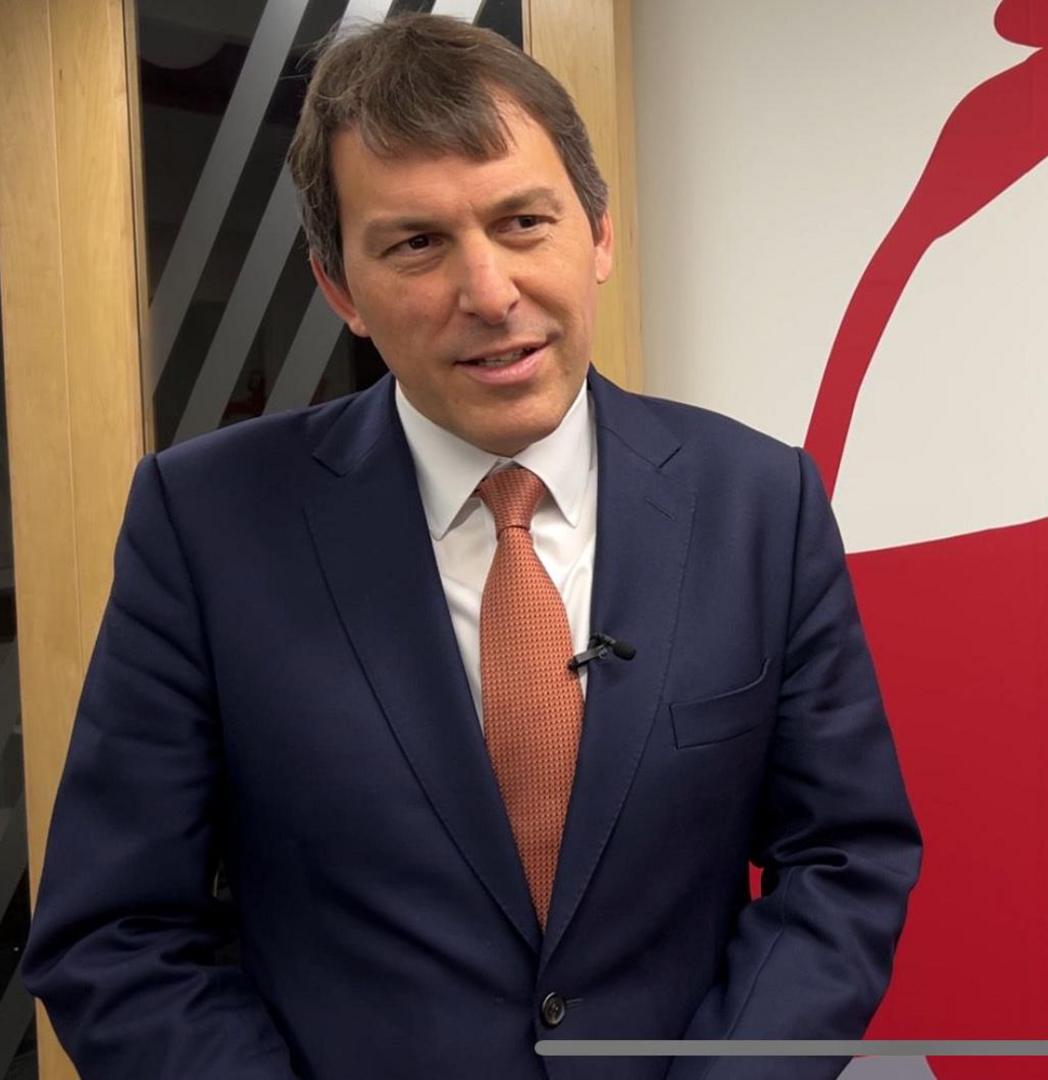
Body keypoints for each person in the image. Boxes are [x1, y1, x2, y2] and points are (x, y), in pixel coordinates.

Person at [20, 14, 921, 1080]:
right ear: (339, 287)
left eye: (524, 222)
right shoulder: (206, 524)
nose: (489, 294)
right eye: (417, 243)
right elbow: (114, 935)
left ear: (597, 235)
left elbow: (844, 859)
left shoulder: (760, 503)